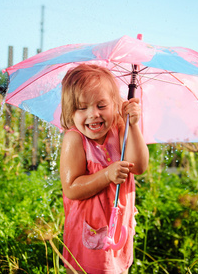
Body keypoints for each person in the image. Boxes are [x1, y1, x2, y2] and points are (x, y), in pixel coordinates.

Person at [59, 64, 149, 274]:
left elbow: (140, 166)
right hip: (88, 228)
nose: (93, 114)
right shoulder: (75, 139)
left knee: (116, 269)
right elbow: (72, 188)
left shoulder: (119, 129)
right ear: (70, 112)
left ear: (115, 104)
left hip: (117, 225)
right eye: (82, 108)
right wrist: (107, 175)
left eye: (101, 106)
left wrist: (132, 125)